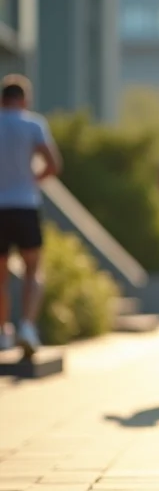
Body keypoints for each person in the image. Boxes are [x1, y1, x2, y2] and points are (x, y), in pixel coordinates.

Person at [0, 75, 61, 357]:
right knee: (33, 270)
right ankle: (26, 326)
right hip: (25, 205)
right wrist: (32, 179)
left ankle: (3, 331)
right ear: (24, 99)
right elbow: (53, 164)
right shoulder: (33, 124)